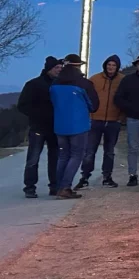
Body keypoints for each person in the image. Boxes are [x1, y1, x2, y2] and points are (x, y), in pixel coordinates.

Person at [49, 54, 99, 199]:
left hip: (60, 125)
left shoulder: (55, 83)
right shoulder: (83, 84)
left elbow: (53, 102)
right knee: (76, 155)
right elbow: (93, 106)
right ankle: (65, 187)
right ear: (78, 66)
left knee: (63, 156)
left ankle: (58, 187)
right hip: (79, 125)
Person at [76, 55, 124, 190]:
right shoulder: (95, 79)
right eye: (109, 65)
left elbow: (126, 98)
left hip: (114, 120)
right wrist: (89, 114)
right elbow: (85, 96)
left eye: (114, 65)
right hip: (95, 119)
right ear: (105, 65)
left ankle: (107, 177)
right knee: (90, 150)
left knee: (109, 151)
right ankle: (85, 176)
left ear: (117, 67)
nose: (111, 67)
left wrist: (121, 117)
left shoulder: (122, 80)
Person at [18, 56, 62, 198]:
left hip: (55, 127)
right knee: (33, 158)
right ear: (49, 69)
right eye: (56, 68)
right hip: (38, 127)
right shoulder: (33, 84)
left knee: (55, 158)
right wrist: (37, 115)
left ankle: (54, 186)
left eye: (60, 68)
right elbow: (22, 105)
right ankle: (30, 187)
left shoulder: (60, 85)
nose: (59, 70)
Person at [114, 55, 139, 187]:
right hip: (133, 118)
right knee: (133, 148)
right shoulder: (128, 80)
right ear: (136, 65)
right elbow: (118, 98)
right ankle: (133, 175)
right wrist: (130, 108)